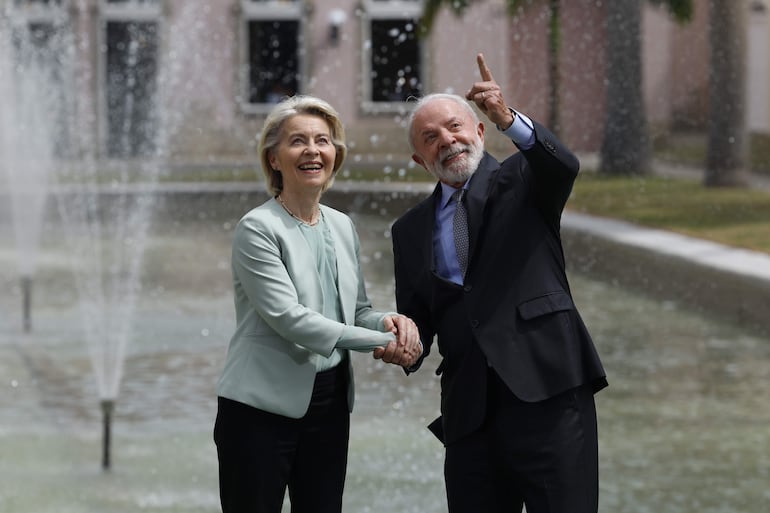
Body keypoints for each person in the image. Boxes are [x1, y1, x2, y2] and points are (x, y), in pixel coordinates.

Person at [383, 54, 608, 513]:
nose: (447, 141)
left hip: (548, 393)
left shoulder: (523, 180)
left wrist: (509, 117)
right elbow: (419, 318)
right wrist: (407, 344)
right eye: (431, 138)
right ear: (419, 159)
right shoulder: (408, 231)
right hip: (469, 416)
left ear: (480, 132)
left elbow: (562, 165)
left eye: (455, 127)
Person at [213, 95, 421, 513]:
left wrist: (395, 323)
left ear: (335, 154)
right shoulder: (257, 228)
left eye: (323, 140)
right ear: (274, 158)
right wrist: (376, 341)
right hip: (259, 408)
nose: (313, 150)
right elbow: (291, 320)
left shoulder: (342, 224)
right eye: (298, 141)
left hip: (329, 405)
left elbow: (357, 310)